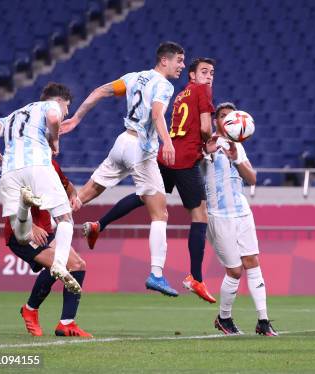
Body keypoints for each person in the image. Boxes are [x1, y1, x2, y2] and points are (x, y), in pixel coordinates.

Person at [78, 57, 218, 303]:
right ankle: (192, 277)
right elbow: (202, 127)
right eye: (203, 72)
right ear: (192, 76)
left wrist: (76, 118)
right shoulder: (185, 89)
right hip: (175, 156)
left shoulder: (180, 93)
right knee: (196, 215)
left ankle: (96, 224)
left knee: (143, 196)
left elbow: (102, 90)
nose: (209, 77)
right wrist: (209, 141)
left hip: (137, 146)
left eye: (212, 73)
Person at [60, 41, 185, 297]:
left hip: (121, 143)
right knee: (160, 214)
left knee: (87, 192)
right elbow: (158, 114)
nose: (182, 66)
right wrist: (168, 142)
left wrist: (77, 118)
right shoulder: (164, 85)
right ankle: (157, 274)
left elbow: (100, 91)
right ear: (164, 60)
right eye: (179, 61)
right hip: (141, 149)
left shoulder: (133, 77)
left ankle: (53, 227)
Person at [0, 82, 80, 293]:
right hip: (37, 165)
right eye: (67, 107)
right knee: (65, 218)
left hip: (9, 172)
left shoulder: (13, 115)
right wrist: (55, 141)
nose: (66, 112)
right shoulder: (49, 107)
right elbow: (53, 119)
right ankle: (60, 265)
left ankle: (25, 205)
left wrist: (1, 158)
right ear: (58, 100)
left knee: (22, 235)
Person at [205, 102, 277, 336]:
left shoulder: (237, 145)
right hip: (219, 215)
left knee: (253, 261)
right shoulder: (207, 145)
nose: (227, 120)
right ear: (216, 121)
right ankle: (224, 318)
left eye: (230, 116)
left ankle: (263, 320)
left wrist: (236, 158)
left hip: (242, 211)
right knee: (235, 271)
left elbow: (253, 178)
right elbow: (198, 158)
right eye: (222, 116)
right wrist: (207, 149)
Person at [8, 160, 92, 337]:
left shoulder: (52, 164)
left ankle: (66, 323)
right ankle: (30, 310)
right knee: (57, 264)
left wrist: (73, 196)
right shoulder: (20, 165)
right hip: (22, 231)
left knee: (77, 265)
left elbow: (68, 186)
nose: (55, 147)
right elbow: (11, 201)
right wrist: (30, 227)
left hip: (46, 231)